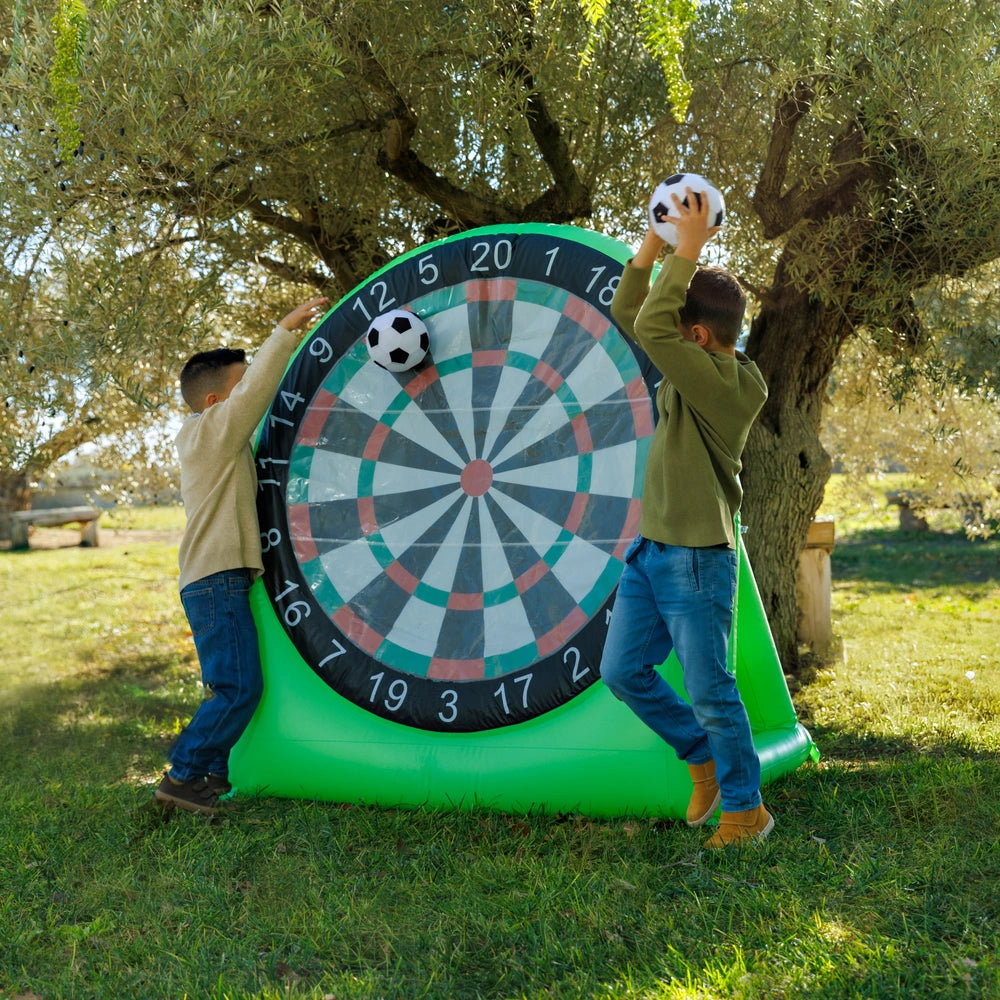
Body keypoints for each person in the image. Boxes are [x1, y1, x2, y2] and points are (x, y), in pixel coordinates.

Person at [599, 186, 772, 847]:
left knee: (712, 691)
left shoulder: (723, 386)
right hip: (653, 551)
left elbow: (649, 326)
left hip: (698, 558)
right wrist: (656, 240)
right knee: (622, 672)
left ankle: (746, 811)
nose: (662, 338)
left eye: (677, 332)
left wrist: (690, 249)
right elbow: (630, 311)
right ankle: (701, 758)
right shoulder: (693, 364)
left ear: (696, 337)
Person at [155, 296, 328, 816]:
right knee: (237, 688)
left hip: (214, 578)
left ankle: (209, 778)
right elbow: (254, 396)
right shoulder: (209, 432)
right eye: (239, 384)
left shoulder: (214, 442)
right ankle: (182, 776)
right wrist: (284, 333)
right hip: (215, 579)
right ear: (214, 403)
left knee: (228, 684)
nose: (249, 392)